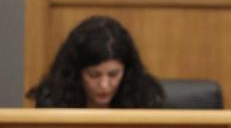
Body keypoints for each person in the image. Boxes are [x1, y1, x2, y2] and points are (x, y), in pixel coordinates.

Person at [26, 15, 164, 109]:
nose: (104, 85)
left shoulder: (145, 99)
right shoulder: (53, 100)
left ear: (126, 70)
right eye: (94, 75)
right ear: (76, 72)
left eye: (113, 74)